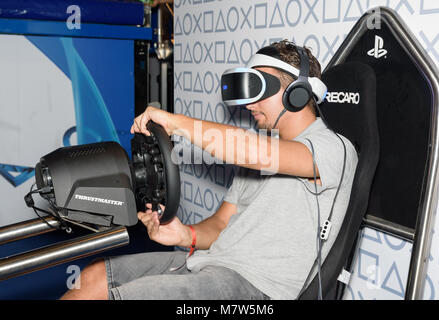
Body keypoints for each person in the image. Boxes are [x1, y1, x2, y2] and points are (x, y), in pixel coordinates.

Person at [60, 40, 358, 300]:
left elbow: (256, 152)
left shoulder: (335, 148)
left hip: (258, 287)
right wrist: (184, 235)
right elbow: (220, 225)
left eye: (259, 89)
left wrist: (176, 123)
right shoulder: (257, 154)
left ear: (297, 91)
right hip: (210, 263)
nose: (250, 102)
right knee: (94, 278)